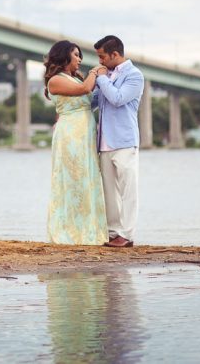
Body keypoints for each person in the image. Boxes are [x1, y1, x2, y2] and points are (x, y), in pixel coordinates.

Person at [44, 40, 107, 245]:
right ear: (64, 56)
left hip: (85, 135)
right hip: (70, 136)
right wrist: (96, 71)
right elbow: (85, 90)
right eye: (76, 55)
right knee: (72, 181)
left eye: (80, 55)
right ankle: (69, 232)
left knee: (87, 179)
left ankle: (88, 230)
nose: (80, 59)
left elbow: (90, 98)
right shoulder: (55, 80)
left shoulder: (74, 79)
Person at [92, 35, 144, 248]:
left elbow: (118, 98)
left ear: (115, 54)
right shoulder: (106, 75)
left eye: (102, 56)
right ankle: (113, 233)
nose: (100, 62)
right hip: (104, 142)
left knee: (128, 190)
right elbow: (93, 101)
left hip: (124, 140)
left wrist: (101, 78)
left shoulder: (135, 75)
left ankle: (128, 235)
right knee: (109, 192)